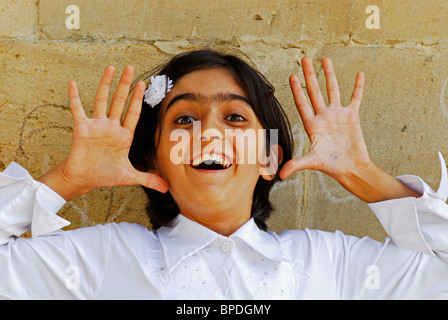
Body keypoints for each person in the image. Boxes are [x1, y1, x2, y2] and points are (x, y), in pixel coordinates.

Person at [0, 48, 447, 299]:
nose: (209, 133)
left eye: (235, 118)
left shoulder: (329, 264)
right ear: (153, 160)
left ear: (269, 157)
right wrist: (69, 178)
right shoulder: (102, 259)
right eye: (183, 120)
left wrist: (365, 176)